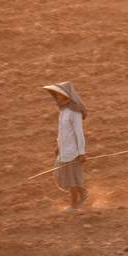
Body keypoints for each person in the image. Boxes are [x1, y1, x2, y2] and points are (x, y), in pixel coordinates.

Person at [43, 82, 91, 212]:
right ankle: (83, 191)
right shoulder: (63, 111)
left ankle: (74, 205)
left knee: (71, 178)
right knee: (59, 173)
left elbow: (78, 133)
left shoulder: (74, 112)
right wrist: (58, 145)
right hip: (64, 150)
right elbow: (62, 132)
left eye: (61, 94)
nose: (58, 96)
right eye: (57, 94)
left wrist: (81, 153)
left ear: (67, 96)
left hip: (73, 151)